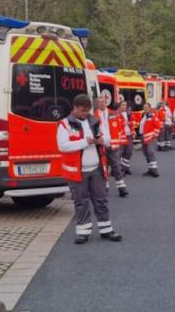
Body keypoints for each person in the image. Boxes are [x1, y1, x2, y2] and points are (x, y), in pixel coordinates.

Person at [57, 94, 122, 244]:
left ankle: (106, 230)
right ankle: (83, 232)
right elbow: (63, 146)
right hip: (77, 171)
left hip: (97, 168)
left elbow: (108, 139)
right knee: (81, 201)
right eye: (82, 111)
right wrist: (84, 142)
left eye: (87, 111)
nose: (85, 113)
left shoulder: (94, 121)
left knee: (101, 200)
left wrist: (101, 140)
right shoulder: (65, 124)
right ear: (74, 108)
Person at [95, 93, 129, 198]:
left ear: (106, 102)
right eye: (100, 102)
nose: (102, 104)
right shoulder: (93, 115)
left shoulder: (113, 113)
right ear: (97, 103)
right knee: (103, 167)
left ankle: (121, 188)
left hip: (113, 144)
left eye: (104, 102)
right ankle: (105, 188)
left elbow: (121, 127)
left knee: (116, 166)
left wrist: (121, 141)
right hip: (101, 145)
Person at [139, 103, 162, 177]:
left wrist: (154, 135)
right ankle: (150, 169)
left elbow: (158, 126)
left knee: (151, 153)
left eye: (146, 107)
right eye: (144, 107)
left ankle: (155, 171)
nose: (145, 109)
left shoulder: (152, 115)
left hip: (150, 138)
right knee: (146, 153)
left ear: (149, 108)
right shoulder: (143, 115)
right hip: (143, 137)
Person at [118, 99, 135, 176]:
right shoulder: (117, 114)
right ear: (120, 106)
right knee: (120, 153)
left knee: (129, 152)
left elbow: (134, 122)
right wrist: (123, 123)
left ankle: (125, 167)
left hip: (129, 135)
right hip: (121, 136)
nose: (124, 106)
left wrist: (129, 122)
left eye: (125, 105)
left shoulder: (129, 113)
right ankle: (119, 169)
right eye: (123, 105)